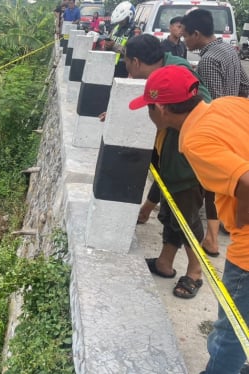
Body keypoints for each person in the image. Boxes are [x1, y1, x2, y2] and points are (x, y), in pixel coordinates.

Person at [128, 64, 249, 374]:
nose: (149, 113)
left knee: (230, 333)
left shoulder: (194, 140)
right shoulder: (226, 105)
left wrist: (240, 222)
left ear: (163, 108)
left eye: (149, 107)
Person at [124, 34, 212, 298]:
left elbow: (201, 105)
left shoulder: (178, 72)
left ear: (136, 62)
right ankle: (165, 263)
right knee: (171, 215)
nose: (127, 73)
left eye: (127, 64)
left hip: (187, 165)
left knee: (187, 218)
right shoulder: (162, 74)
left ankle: (195, 271)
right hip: (171, 159)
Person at [181, 8, 249, 256]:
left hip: (219, 127)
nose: (185, 41)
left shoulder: (209, 60)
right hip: (233, 121)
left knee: (214, 184)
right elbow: (245, 85)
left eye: (187, 36)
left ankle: (212, 238)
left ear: (197, 34)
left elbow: (213, 100)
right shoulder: (229, 51)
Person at [104, 1, 136, 77]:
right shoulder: (116, 28)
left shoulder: (134, 31)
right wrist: (107, 45)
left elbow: (132, 52)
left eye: (122, 19)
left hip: (124, 69)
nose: (120, 22)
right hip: (111, 65)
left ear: (129, 17)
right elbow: (109, 41)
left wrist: (114, 46)